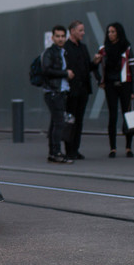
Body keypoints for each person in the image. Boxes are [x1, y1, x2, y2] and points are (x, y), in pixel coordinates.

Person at [95, 22, 134, 158]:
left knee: (127, 115)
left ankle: (128, 147)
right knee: (112, 116)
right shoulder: (103, 49)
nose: (110, 34)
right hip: (110, 85)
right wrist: (100, 80)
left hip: (125, 84)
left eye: (113, 32)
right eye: (109, 32)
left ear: (119, 32)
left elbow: (133, 69)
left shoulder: (127, 48)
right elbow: (95, 66)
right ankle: (112, 148)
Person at [63, 20, 100, 160]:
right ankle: (69, 150)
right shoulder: (66, 47)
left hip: (83, 89)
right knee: (70, 120)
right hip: (71, 90)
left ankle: (75, 149)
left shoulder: (83, 47)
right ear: (72, 31)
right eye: (80, 30)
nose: (83, 33)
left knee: (79, 121)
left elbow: (87, 67)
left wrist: (95, 63)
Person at [42, 25, 75, 164]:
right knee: (59, 123)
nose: (61, 39)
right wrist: (65, 73)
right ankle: (56, 153)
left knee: (55, 123)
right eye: (58, 36)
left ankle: (53, 152)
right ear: (53, 37)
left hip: (60, 91)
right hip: (53, 92)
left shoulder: (62, 52)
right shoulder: (50, 52)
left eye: (63, 36)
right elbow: (47, 70)